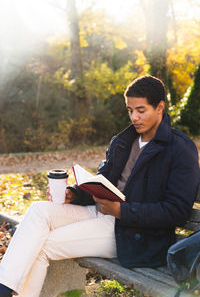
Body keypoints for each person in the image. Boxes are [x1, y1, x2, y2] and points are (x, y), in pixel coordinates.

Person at [0, 75, 199, 297]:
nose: (134, 117)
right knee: (39, 210)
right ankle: (4, 288)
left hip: (136, 235)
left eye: (141, 110)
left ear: (160, 107)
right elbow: (102, 180)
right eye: (130, 110)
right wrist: (74, 194)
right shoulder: (124, 141)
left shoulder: (180, 149)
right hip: (101, 213)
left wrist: (121, 211)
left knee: (42, 245)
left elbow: (177, 211)